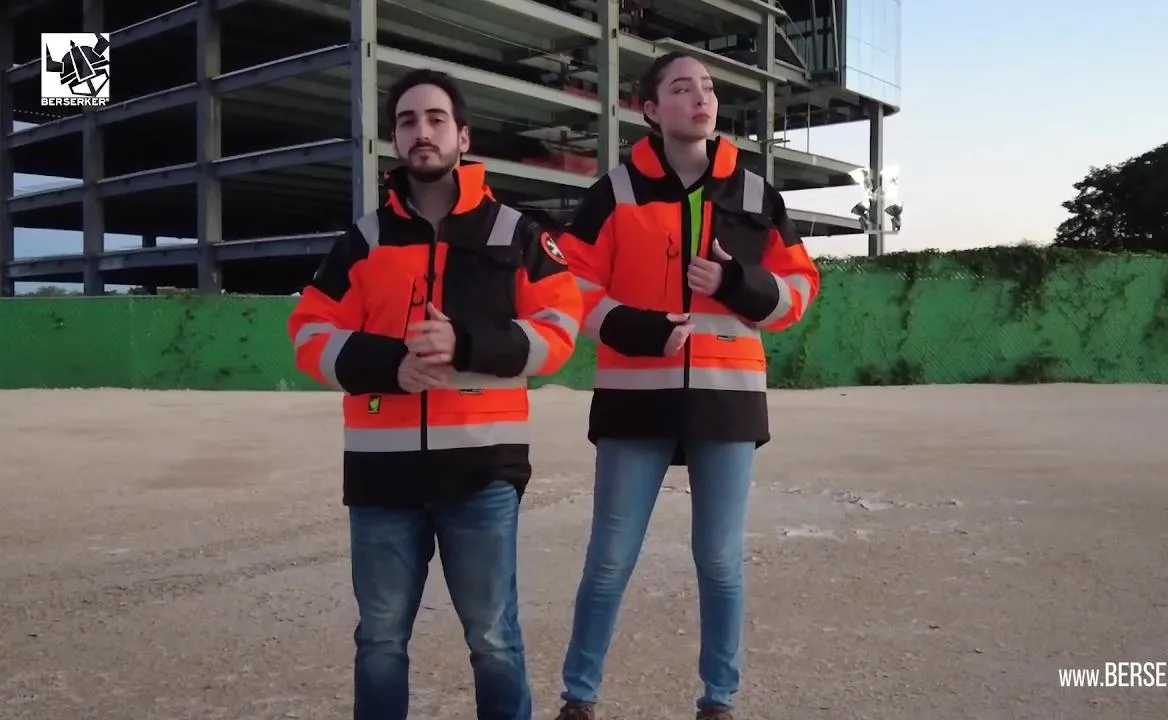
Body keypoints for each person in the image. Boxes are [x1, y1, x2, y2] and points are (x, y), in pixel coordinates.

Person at [286, 68, 583, 720]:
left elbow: (561, 328)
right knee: (380, 640)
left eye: (436, 119)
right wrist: (388, 364)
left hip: (482, 473)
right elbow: (307, 331)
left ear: (463, 136)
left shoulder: (516, 234)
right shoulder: (364, 240)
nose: (422, 131)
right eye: (407, 121)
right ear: (395, 140)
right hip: (381, 478)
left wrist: (467, 344)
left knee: (494, 638)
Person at [551, 52, 821, 720]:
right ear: (650, 109)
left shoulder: (756, 195)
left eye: (707, 88)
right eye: (681, 88)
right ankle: (579, 698)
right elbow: (568, 284)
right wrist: (632, 327)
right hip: (633, 398)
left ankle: (718, 701)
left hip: (728, 400)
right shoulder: (614, 192)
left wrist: (738, 284)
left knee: (720, 561)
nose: (700, 98)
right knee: (609, 559)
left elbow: (799, 290)